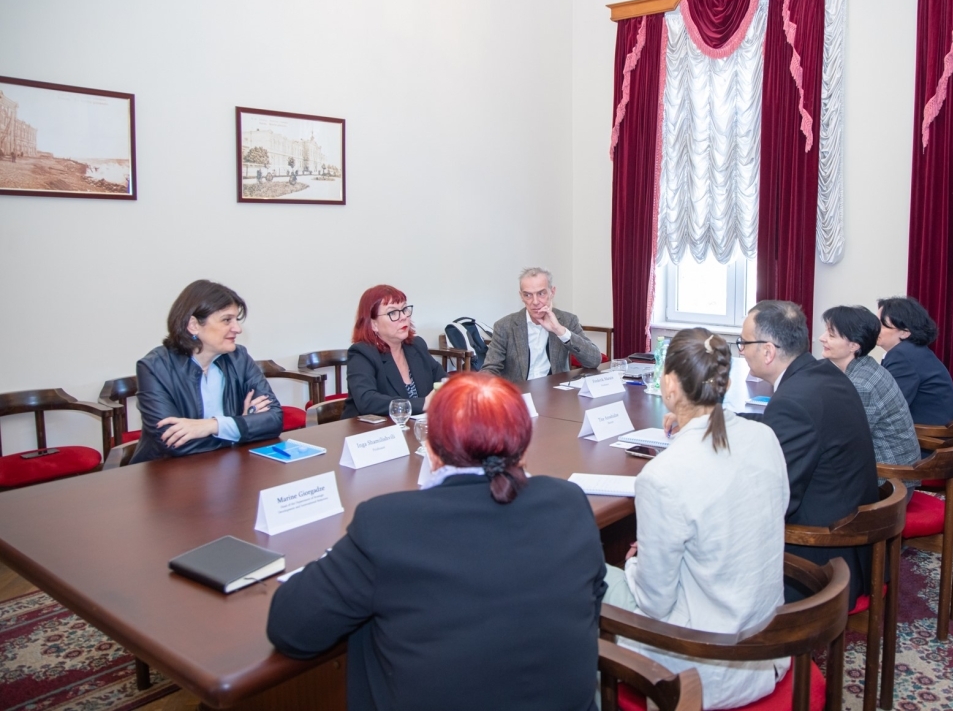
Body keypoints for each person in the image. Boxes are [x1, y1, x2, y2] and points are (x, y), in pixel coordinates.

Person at [267, 372, 607, 711]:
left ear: (431, 451)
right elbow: (591, 604)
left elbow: (291, 629)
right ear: (523, 448)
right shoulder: (569, 502)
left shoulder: (386, 525)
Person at [606, 328, 790, 710]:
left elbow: (655, 603)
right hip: (770, 646)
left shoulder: (662, 476)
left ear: (670, 385)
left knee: (589, 578)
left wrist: (636, 562)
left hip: (703, 668)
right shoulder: (765, 437)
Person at [737, 300, 879, 606]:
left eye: (744, 343)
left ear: (768, 351)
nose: (741, 351)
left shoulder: (793, 402)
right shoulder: (821, 374)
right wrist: (721, 420)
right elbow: (783, 428)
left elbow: (774, 499)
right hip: (852, 536)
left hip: (821, 561)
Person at [129, 280, 281, 464]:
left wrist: (211, 426)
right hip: (169, 473)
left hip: (228, 468)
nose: (238, 329)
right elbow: (174, 442)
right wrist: (242, 425)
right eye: (227, 320)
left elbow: (274, 420)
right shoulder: (154, 367)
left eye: (236, 320)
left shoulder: (239, 358)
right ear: (193, 325)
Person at [820, 305, 921, 493]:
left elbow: (846, 443)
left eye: (831, 335)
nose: (821, 338)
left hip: (889, 483)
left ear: (854, 345)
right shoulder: (866, 366)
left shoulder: (861, 385)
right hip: (890, 472)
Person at [343, 285, 446, 418]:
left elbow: (443, 380)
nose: (403, 317)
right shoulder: (362, 354)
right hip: (370, 429)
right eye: (392, 313)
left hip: (413, 427)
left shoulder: (416, 346)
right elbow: (367, 400)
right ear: (374, 324)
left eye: (404, 309)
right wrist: (424, 403)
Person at [480, 267, 601, 380]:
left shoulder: (567, 320)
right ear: (521, 296)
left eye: (541, 293)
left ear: (552, 292)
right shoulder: (504, 326)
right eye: (528, 295)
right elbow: (491, 368)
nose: (535, 302)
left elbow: (594, 361)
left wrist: (560, 331)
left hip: (555, 391)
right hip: (519, 392)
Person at [876, 296, 953, 426]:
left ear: (905, 332)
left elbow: (889, 408)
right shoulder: (912, 351)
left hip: (930, 435)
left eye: (882, 325)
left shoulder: (902, 356)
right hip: (936, 429)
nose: (874, 328)